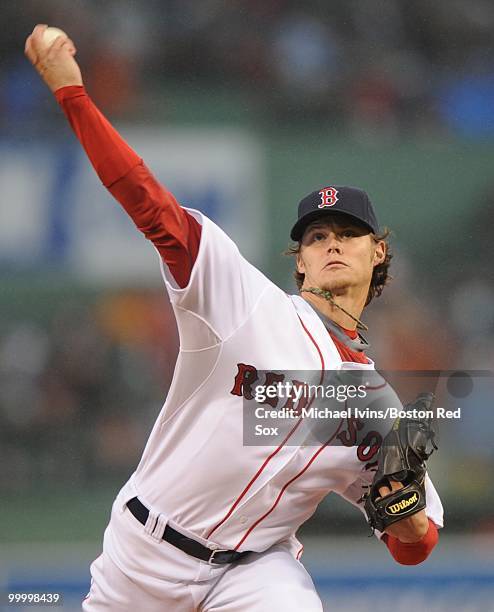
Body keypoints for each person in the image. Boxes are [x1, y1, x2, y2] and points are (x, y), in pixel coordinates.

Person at [25, 24, 443, 612]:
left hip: (255, 572)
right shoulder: (242, 300)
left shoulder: (379, 408)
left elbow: (416, 547)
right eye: (316, 236)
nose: (331, 243)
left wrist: (401, 507)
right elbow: (150, 205)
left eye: (349, 234)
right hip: (143, 557)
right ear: (298, 261)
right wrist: (73, 94)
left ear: (378, 252)